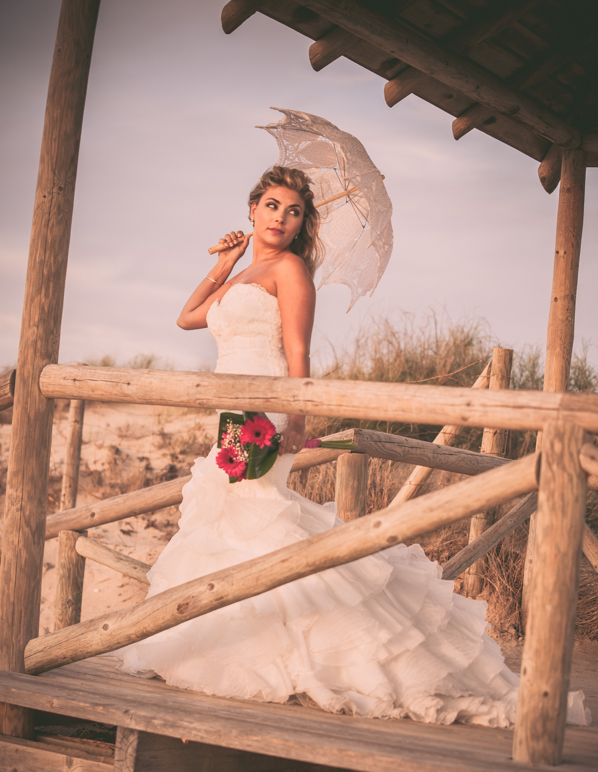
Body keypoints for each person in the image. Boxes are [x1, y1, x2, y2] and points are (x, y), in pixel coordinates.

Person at [110, 166, 589, 728]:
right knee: (233, 519)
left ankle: (309, 651)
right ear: (251, 209)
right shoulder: (247, 271)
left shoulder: (291, 270)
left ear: (300, 223)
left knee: (255, 514)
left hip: (263, 409)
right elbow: (189, 318)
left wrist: (297, 416)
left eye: (292, 211)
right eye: (271, 205)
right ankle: (238, 641)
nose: (281, 218)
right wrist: (224, 264)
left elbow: (298, 350)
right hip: (229, 413)